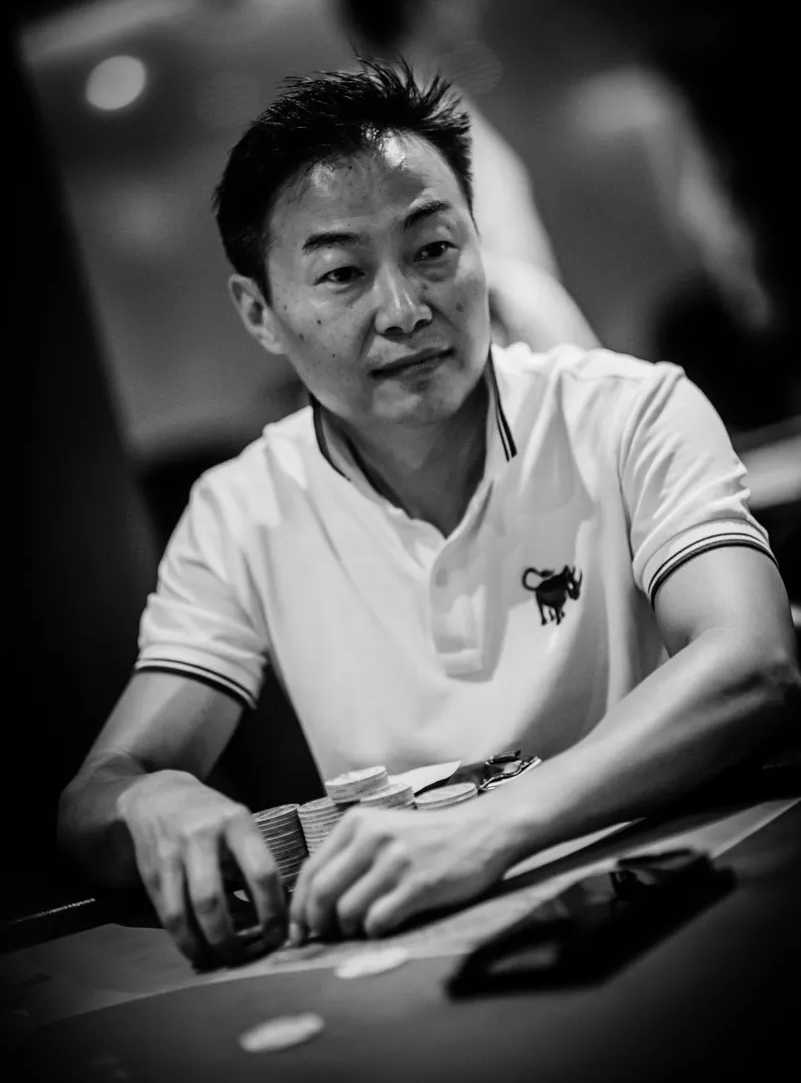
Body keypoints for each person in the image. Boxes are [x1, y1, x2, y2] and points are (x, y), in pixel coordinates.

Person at [58, 61, 798, 968]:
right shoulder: (239, 510)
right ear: (259, 312)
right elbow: (94, 800)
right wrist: (148, 800)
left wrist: (491, 825)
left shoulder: (628, 411)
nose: (405, 309)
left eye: (434, 249)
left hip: (680, 907)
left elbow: (754, 662)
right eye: (341, 272)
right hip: (418, 954)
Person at [337, 0, 597, 352]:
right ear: (419, 4)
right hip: (488, 335)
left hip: (514, 326)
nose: (474, 2)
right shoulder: (384, 115)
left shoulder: (433, 97)